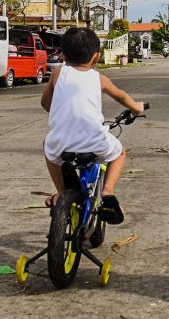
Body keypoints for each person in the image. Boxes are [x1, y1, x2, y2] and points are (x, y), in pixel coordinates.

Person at [41, 27, 145, 224]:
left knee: (49, 151)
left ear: (63, 55)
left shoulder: (57, 73)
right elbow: (121, 96)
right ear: (96, 57)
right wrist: (137, 108)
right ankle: (108, 192)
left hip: (60, 142)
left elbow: (45, 103)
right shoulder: (99, 78)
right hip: (94, 140)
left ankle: (61, 193)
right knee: (120, 152)